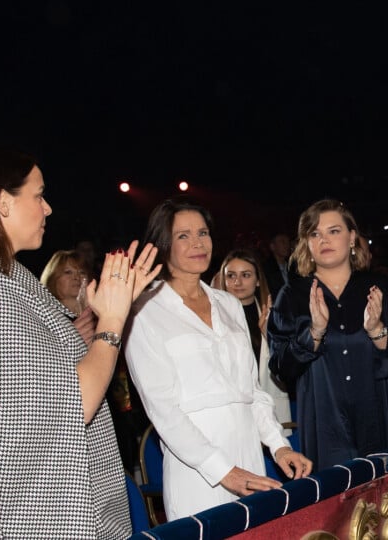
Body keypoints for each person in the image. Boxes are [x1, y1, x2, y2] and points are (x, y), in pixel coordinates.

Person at [0, 142, 161, 538]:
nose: (48, 208)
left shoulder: (10, 279)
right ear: (2, 202)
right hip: (36, 519)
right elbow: (75, 403)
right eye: (38, 196)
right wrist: (111, 320)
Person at [123, 198, 312, 522]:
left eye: (203, 232)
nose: (198, 243)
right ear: (163, 244)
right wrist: (222, 470)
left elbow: (252, 391)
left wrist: (278, 445)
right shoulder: (143, 312)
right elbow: (163, 410)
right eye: (183, 235)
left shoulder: (229, 303)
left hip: (249, 454)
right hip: (196, 469)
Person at [267, 198, 388, 472]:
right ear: (307, 244)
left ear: (352, 238)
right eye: (315, 233)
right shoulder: (293, 296)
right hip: (326, 424)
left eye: (333, 231)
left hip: (378, 415)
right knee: (335, 505)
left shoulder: (379, 287)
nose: (324, 239)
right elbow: (279, 367)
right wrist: (315, 332)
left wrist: (376, 331)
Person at [218, 248, 293, 431]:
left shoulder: (274, 315)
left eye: (246, 275)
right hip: (233, 410)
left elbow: (288, 369)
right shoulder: (214, 318)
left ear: (258, 280)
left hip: (270, 406)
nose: (237, 282)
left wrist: (270, 335)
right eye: (231, 276)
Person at [40, 249, 90, 315]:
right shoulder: (45, 315)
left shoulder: (99, 314)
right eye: (68, 272)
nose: (77, 277)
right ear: (53, 279)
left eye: (82, 272)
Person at [262, 232, 292, 300]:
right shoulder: (266, 269)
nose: (287, 245)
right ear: (272, 247)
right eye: (283, 242)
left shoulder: (292, 265)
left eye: (288, 242)